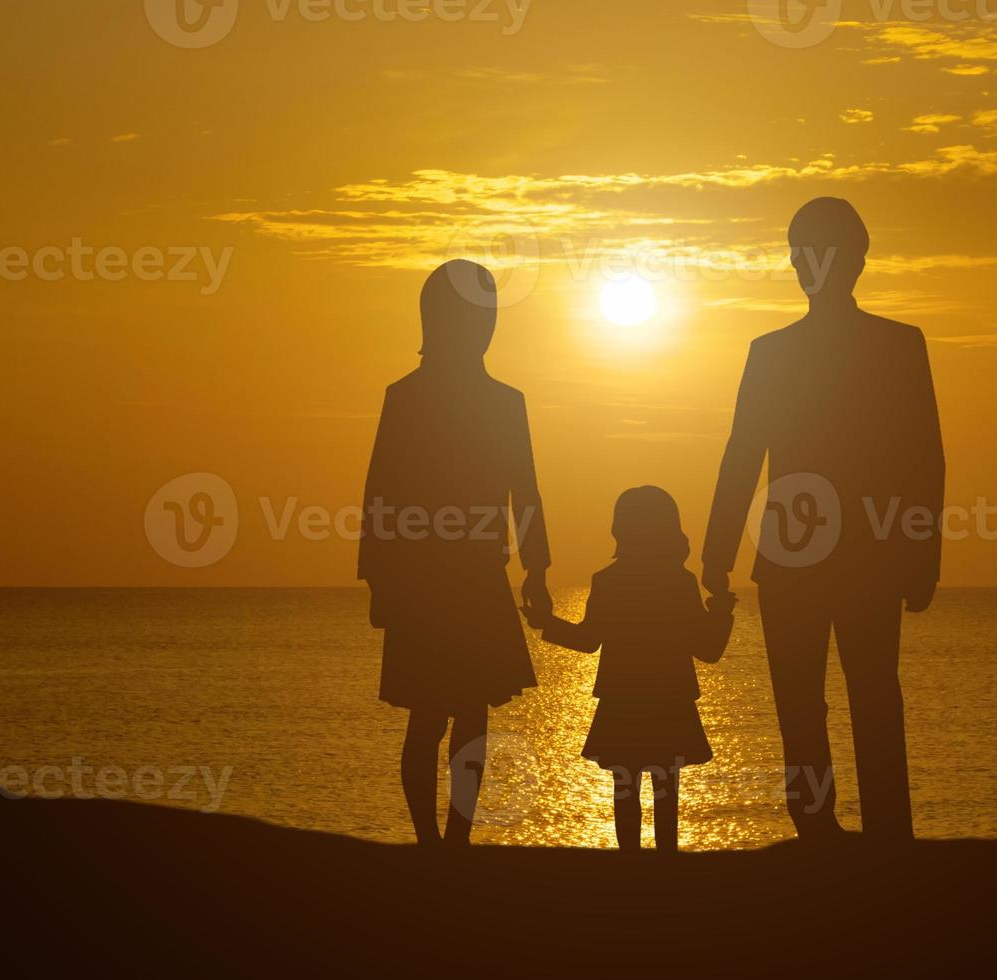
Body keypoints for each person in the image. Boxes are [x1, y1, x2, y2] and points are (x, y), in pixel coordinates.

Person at [700, 198, 945, 842]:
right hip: (804, 556)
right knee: (811, 700)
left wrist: (923, 555)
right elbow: (743, 452)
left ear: (860, 258)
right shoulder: (775, 352)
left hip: (858, 555)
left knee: (864, 695)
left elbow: (924, 457)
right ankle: (822, 827)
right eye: (804, 251)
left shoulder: (897, 345)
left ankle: (877, 828)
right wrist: (717, 553)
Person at [360, 259, 552, 847]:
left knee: (468, 714)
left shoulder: (503, 401)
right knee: (433, 715)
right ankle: (431, 841)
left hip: (474, 575)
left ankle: (454, 838)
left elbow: (525, 488)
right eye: (476, 314)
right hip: (429, 582)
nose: (484, 326)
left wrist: (537, 566)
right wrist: (379, 581)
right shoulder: (408, 396)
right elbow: (381, 492)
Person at [525, 486, 733, 853]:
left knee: (625, 785)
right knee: (666, 786)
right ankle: (666, 861)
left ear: (620, 528)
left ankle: (629, 862)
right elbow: (708, 650)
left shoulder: (609, 580)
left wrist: (547, 624)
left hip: (622, 697)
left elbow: (589, 640)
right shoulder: (678, 582)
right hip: (670, 697)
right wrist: (721, 613)